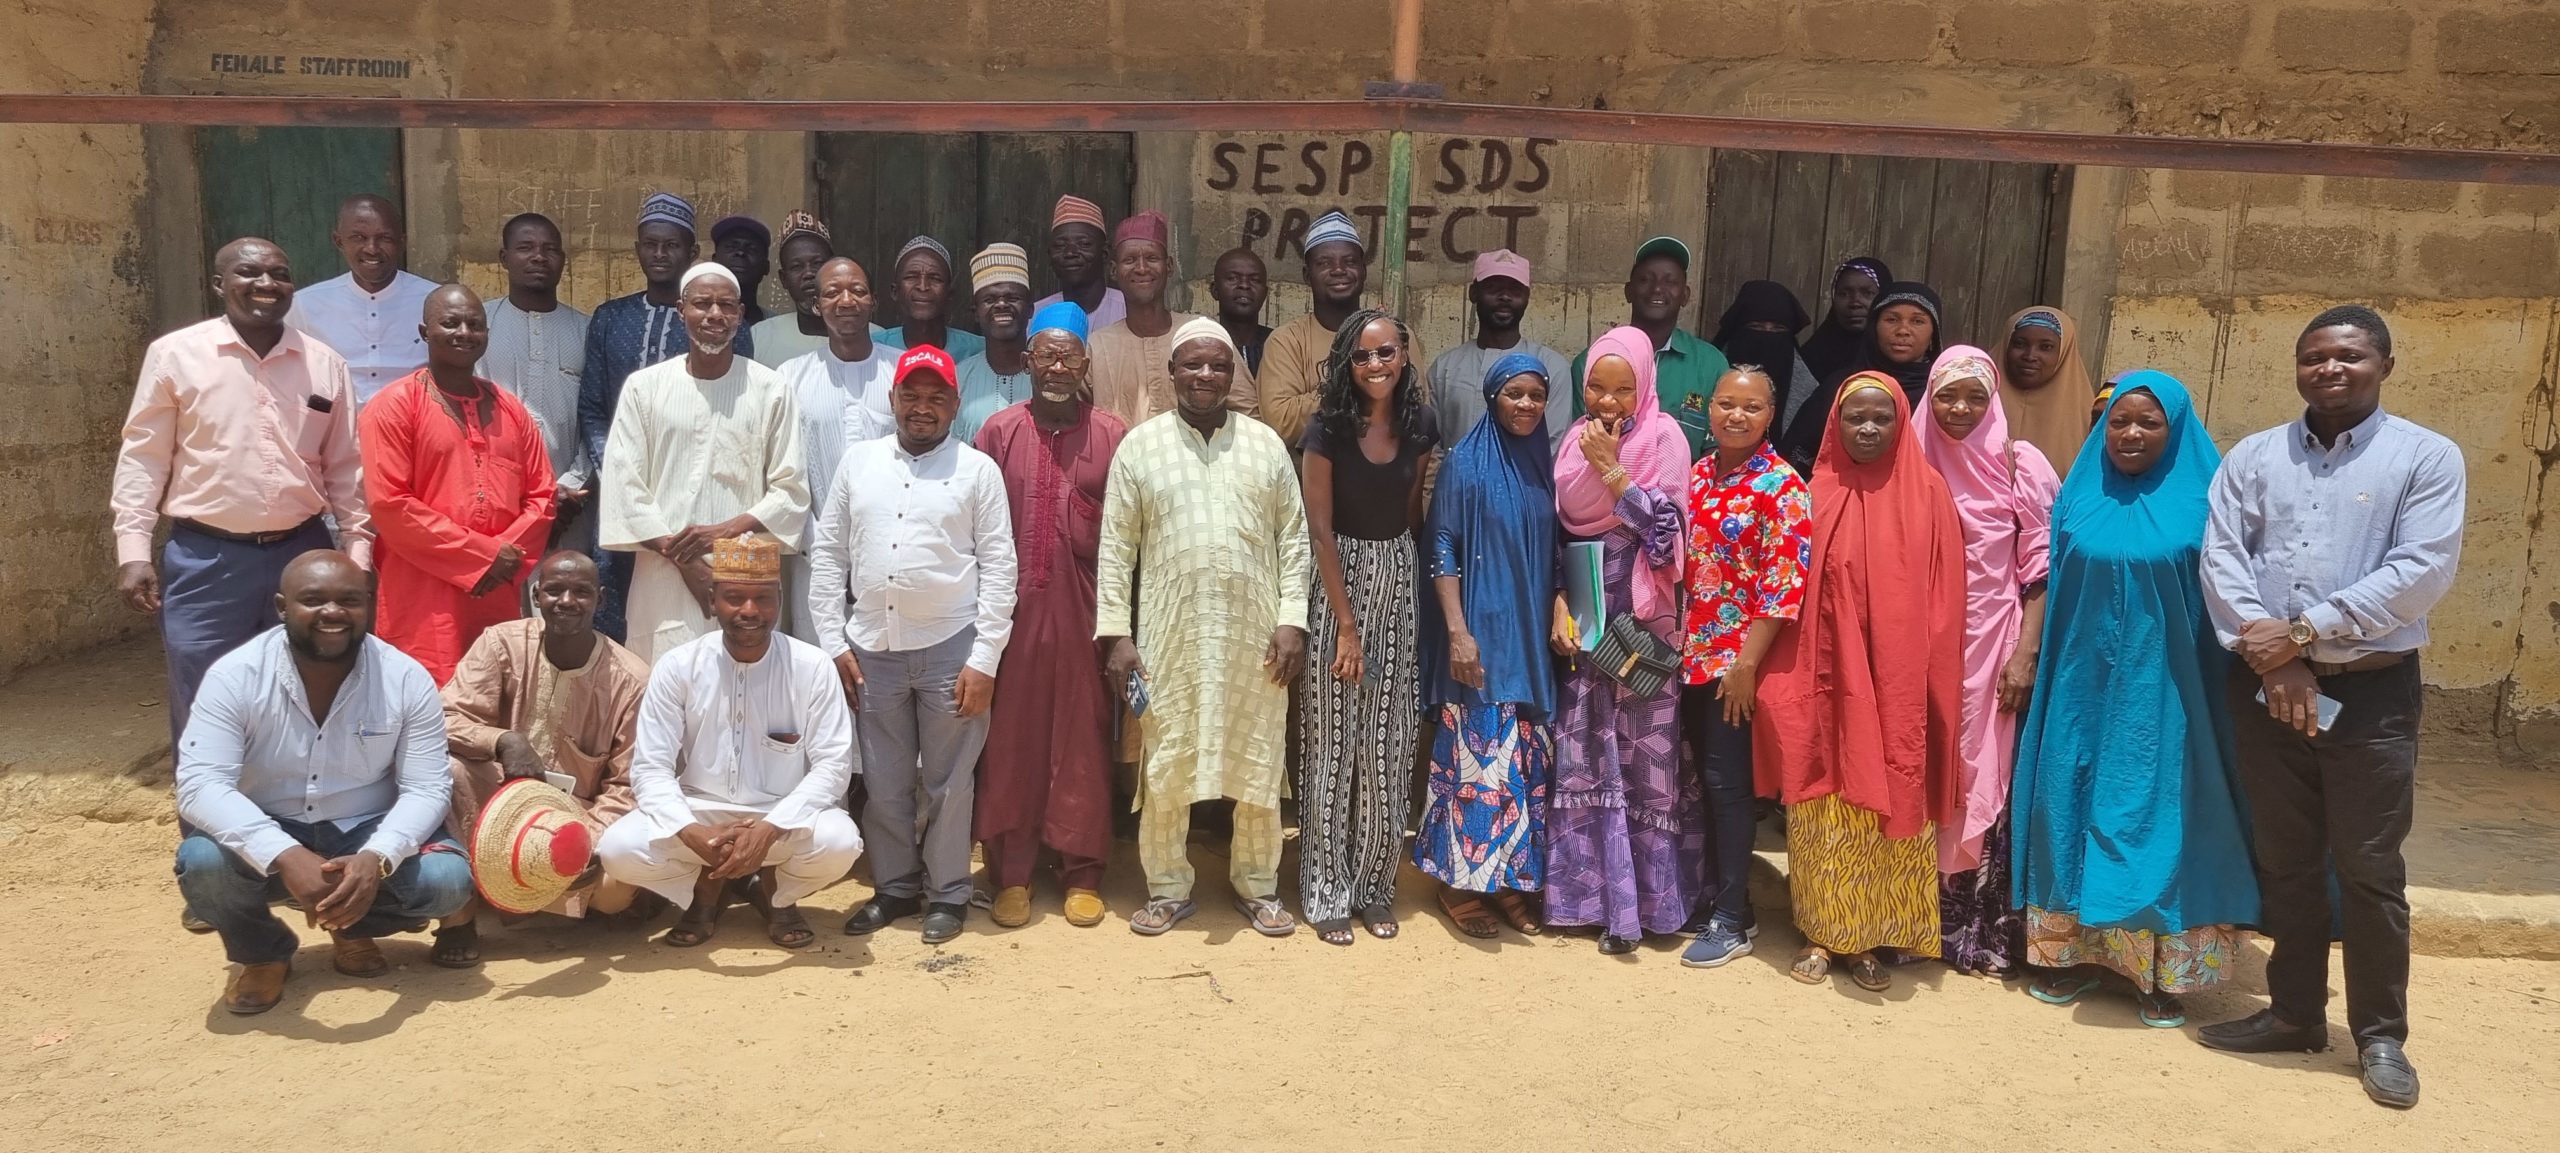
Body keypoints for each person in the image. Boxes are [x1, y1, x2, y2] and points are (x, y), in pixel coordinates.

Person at [2197, 306, 2466, 1110]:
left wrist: (2307, 634)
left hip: (2371, 688)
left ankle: (2380, 1034)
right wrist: (2276, 657)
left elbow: (2420, 569)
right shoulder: (2254, 456)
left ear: (2384, 364)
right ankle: (2293, 1013)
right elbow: (2222, 558)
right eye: (2315, 357)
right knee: (2286, 855)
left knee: (2371, 866)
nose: (2330, 369)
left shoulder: (2424, 457)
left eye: (2348, 356)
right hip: (2265, 687)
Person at [2012, 370, 2259, 1030]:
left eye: (2149, 422)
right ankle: (2079, 958)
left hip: (2168, 692)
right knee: (2068, 805)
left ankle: (2157, 972)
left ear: (2176, 427)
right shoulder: (2078, 495)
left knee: (2156, 817)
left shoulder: (2206, 504)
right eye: (2120, 420)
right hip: (2079, 688)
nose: (2131, 433)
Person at [173, 551, 466, 1013]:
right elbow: (199, 783)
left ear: (368, 605)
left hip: (363, 828)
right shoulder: (236, 676)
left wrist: (377, 857)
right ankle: (263, 953)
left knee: (446, 882)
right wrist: (283, 853)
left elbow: (427, 787)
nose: (333, 612)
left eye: (349, 600)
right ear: (281, 606)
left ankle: (351, 927)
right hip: (272, 823)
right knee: (204, 863)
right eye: (314, 600)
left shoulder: (405, 678)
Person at [1097, 317, 1310, 938]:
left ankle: (1258, 884)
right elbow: (1117, 548)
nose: (1205, 376)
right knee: (1166, 756)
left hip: (1256, 636)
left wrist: (1292, 621)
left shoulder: (1265, 445)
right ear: (1171, 374)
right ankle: (1166, 886)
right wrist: (1117, 635)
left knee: (1258, 756)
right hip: (1169, 634)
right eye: (1192, 364)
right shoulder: (1141, 446)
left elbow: (1293, 541)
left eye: (1218, 365)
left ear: (1233, 374)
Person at [113, 237, 370, 752]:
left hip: (302, 553)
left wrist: (357, 554)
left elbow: (346, 468)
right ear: (219, 284)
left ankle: (294, 819)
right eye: (250, 272)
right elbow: (144, 456)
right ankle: (209, 825)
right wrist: (133, 550)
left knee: (308, 688)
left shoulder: (324, 365)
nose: (266, 284)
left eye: (280, 273)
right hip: (206, 557)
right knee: (203, 692)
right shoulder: (175, 357)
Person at [1755, 373, 1965, 992]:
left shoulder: (1929, 495)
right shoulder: (1809, 493)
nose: (1868, 428)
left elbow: (1946, 603)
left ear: (1903, 422)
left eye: (1882, 417)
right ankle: (1823, 931)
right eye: (1855, 418)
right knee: (1823, 802)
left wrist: (1924, 682)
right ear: (1834, 424)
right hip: (1824, 679)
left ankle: (1872, 938)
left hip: (1898, 682)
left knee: (1891, 795)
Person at [815, 345, 1019, 946]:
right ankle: (897, 887)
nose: (922, 408)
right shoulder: (858, 463)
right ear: (893, 400)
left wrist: (984, 660)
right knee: (883, 778)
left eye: (936, 398)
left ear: (956, 404)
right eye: (912, 396)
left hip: (950, 646)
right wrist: (833, 640)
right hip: (871, 647)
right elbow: (829, 554)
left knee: (950, 781)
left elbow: (1000, 568)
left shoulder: (977, 469)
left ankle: (950, 891)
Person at [596, 536, 863, 950]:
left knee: (840, 843)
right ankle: (705, 889)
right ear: (712, 598)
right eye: (735, 598)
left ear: (779, 598)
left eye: (763, 598)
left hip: (780, 812)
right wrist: (688, 832)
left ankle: (778, 892)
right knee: (617, 850)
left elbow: (832, 768)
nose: (750, 612)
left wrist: (770, 829)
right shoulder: (678, 666)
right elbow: (650, 768)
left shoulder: (812, 667)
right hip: (701, 811)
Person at [971, 309, 1129, 929]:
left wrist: (1121, 630)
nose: (1058, 368)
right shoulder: (998, 432)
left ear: (1086, 366)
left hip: (1087, 617)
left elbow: (1132, 536)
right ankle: (1011, 872)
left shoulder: (1113, 434)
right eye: (1047, 356)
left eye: (1070, 358)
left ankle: (1082, 870)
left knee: (1083, 739)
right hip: (1010, 618)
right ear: (1028, 361)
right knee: (1012, 740)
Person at [1546, 325, 1700, 954]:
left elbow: (1669, 539)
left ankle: (1650, 908)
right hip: (1587, 611)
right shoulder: (1567, 442)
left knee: (1643, 756)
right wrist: (1559, 597)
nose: (1608, 403)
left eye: (1622, 389)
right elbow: (1558, 529)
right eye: (1598, 388)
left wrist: (1611, 472)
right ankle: (1588, 900)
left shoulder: (1665, 439)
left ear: (1645, 387)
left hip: (1643, 618)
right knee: (1586, 746)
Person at [1914, 346, 2061, 977]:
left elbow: (2042, 569)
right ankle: (1911, 918)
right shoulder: (1908, 457)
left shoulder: (2018, 464)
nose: (1959, 409)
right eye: (1947, 394)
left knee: (1982, 770)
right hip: (1919, 645)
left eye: (1975, 395)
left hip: (1993, 642)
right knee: (1924, 765)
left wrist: (2024, 656)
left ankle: (1973, 926)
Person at [433, 551, 654, 966]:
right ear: (536, 595)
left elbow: (629, 783)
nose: (566, 601)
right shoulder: (501, 643)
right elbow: (444, 718)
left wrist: (585, 838)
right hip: (495, 805)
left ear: (601, 600)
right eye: (554, 590)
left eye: (581, 592)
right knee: (448, 771)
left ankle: (551, 896)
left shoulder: (630, 680)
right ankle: (458, 919)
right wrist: (502, 739)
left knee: (613, 894)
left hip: (572, 821)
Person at [1297, 309, 1440, 946]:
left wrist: (1404, 591)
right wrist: (1347, 627)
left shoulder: (1420, 424)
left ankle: (1374, 887)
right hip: (1339, 579)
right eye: (1362, 356)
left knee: (1392, 738)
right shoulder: (1326, 428)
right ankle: (1325, 886)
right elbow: (1320, 529)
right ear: (1346, 366)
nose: (1375, 365)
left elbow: (1411, 512)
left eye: (1386, 353)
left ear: (1404, 356)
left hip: (1399, 576)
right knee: (1334, 740)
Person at [1414, 352, 1561, 940]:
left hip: (1527, 634)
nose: (1526, 405)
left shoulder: (1542, 463)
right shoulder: (1466, 463)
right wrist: (1457, 632)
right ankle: (1457, 883)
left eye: (1536, 395)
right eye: (1514, 394)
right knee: (1479, 757)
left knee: (1522, 760)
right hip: (1479, 633)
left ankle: (1502, 882)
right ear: (1493, 398)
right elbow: (1442, 544)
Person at [597, 262, 809, 664]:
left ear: (740, 315)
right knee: (665, 691)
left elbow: (790, 489)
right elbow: (624, 487)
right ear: (682, 310)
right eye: (703, 304)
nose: (715, 314)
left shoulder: (771, 389)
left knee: (746, 693)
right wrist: (687, 561)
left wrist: (722, 534)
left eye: (726, 305)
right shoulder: (645, 388)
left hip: (746, 576)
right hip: (661, 577)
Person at [1674, 365, 1810, 969]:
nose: (1735, 416)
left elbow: (1784, 585)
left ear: (1770, 415)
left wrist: (1747, 665)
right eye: (1726, 403)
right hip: (1685, 658)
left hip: (1735, 665)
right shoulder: (1699, 474)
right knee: (1699, 779)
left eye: (1750, 408)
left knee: (1730, 786)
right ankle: (1713, 897)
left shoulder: (1783, 487)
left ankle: (1734, 916)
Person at [359, 284, 556, 682]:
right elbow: (390, 504)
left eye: (474, 324)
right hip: (421, 595)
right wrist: (482, 557)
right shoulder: (395, 405)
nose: (464, 332)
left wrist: (504, 556)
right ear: (424, 331)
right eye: (450, 323)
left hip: (496, 593)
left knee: (492, 699)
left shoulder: (510, 409)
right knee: (423, 705)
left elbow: (543, 496)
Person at [581, 192, 708, 641]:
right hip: (618, 496)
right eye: (650, 244)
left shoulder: (715, 323)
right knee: (613, 615)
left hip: (687, 498)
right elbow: (594, 409)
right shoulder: (610, 318)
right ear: (637, 248)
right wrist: (618, 473)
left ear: (692, 253)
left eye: (671, 245)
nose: (659, 254)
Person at [775, 257, 897, 645]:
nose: (846, 301)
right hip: (814, 559)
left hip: (891, 557)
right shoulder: (790, 377)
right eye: (832, 293)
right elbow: (784, 472)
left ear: (874, 301)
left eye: (858, 291)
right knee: (820, 673)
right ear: (816, 305)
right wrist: (825, 550)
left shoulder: (901, 372)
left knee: (883, 677)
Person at [480, 213, 595, 555]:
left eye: (550, 249)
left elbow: (599, 416)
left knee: (566, 599)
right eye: (525, 247)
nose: (538, 257)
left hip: (572, 508)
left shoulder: (587, 330)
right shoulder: (477, 325)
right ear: (504, 258)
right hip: (494, 502)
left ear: (563, 260)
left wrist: (568, 490)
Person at [1092, 210, 1258, 427]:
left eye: (1152, 258)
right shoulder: (1097, 347)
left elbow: (1249, 416)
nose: (1141, 268)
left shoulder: (1202, 335)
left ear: (1169, 266)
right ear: (1114, 270)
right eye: (1130, 260)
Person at [1570, 238, 1730, 460]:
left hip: (1688, 491)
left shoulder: (1711, 364)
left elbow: (1718, 449)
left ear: (1685, 295)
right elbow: (1581, 442)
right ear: (1628, 291)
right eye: (1645, 280)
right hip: (1607, 487)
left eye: (1670, 281)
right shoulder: (1590, 362)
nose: (1657, 289)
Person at [287, 194, 437, 404]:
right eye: (359, 237)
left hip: (413, 428)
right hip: (336, 431)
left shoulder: (434, 301)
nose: (371, 249)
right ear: (338, 241)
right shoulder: (304, 305)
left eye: (384, 238)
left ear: (401, 242)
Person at [1426, 249, 1573, 445]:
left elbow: (1553, 446)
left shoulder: (1552, 367)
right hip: (1453, 476)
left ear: (1527, 297)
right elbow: (1433, 446)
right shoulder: (1444, 367)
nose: (1505, 296)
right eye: (1494, 287)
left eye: (1515, 289)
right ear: (1473, 293)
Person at [1258, 210, 1369, 446]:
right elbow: (1282, 423)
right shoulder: (1286, 341)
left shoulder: (1393, 337)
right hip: (1306, 481)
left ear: (1364, 271)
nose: (1339, 270)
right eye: (1324, 263)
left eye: (1350, 262)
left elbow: (1415, 420)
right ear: (1307, 275)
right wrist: (1354, 385)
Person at [1710, 279, 1822, 477]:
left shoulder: (1809, 390)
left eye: (1778, 330)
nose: (1767, 337)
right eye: (1756, 327)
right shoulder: (1710, 371)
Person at [1999, 306, 2100, 481]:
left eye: (2045, 347)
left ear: (2063, 353)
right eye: (2020, 344)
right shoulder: (1974, 400)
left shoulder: (2088, 418)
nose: (2030, 356)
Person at [955, 243, 1035, 442]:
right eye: (989, 299)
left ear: (1031, 309)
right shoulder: (959, 378)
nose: (1001, 305)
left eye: (1013, 297)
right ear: (975, 313)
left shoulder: (1048, 375)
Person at [874, 236, 985, 363]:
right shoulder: (874, 348)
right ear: (895, 292)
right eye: (911, 277)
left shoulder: (978, 351)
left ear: (950, 294)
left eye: (935, 278)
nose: (923, 287)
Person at [748, 212, 837, 368]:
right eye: (797, 267)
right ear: (784, 279)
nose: (809, 273)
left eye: (817, 263)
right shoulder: (759, 338)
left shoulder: (872, 336)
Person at [1035, 194, 1126, 331]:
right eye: (1060, 245)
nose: (1070, 253)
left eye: (1084, 244)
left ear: (1104, 253)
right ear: (1050, 256)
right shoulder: (1036, 316)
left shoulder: (1128, 310)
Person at [1797, 256, 1892, 384]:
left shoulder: (1897, 356)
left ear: (1885, 297)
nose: (1855, 303)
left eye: (1867, 293)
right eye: (1844, 294)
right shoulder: (1809, 360)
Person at [1211, 246, 1272, 376]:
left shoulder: (1280, 344)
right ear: (1215, 290)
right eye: (1233, 278)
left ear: (1265, 293)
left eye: (1255, 280)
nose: (1244, 285)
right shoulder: (1202, 343)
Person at [709, 215, 773, 327]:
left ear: (766, 267)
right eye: (731, 247)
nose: (740, 253)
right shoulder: (694, 323)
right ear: (714, 261)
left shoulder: (776, 328)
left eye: (751, 249)